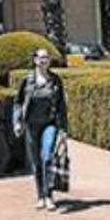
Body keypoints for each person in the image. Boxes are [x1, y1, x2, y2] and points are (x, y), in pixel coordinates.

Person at [13, 48, 69, 210]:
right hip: (31, 125)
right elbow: (18, 102)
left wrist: (63, 129)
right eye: (41, 57)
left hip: (49, 124)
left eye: (47, 57)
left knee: (47, 157)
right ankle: (40, 196)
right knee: (36, 162)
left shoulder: (55, 80)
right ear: (35, 60)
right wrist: (17, 122)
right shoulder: (27, 80)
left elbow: (61, 106)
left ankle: (49, 195)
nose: (44, 60)